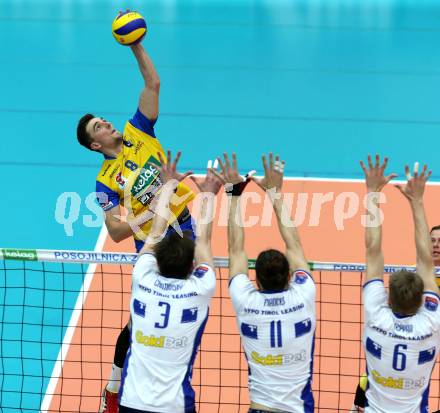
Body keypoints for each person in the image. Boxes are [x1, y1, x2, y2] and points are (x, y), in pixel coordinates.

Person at [76, 35, 194, 411]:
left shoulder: (139, 131)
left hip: (186, 228)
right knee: (137, 323)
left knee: (186, 311)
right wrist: (155, 206)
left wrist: (135, 47)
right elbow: (114, 231)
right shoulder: (104, 182)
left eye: (102, 120)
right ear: (95, 145)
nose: (105, 123)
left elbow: (152, 84)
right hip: (152, 245)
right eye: (98, 127)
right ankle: (114, 387)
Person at [118, 150, 223, 413]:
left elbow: (154, 234)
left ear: (158, 262)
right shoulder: (197, 290)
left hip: (131, 402)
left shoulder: (143, 278)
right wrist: (208, 195)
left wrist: (167, 187)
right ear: (192, 267)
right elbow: (204, 243)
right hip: (175, 405)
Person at [218, 152, 316, 413]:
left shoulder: (245, 299)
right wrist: (274, 194)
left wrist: (234, 194)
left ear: (256, 280)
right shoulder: (303, 294)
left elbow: (235, 251)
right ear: (289, 276)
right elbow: (294, 244)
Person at [358, 155, 440, 412]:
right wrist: (417, 202)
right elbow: (426, 261)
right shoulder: (431, 323)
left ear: (389, 298)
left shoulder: (376, 317)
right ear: (421, 301)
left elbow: (373, 251)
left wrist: (373, 193)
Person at [351, 227, 440, 410]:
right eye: (432, 241)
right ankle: (355, 408)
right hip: (420, 340)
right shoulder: (420, 277)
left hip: (429, 340)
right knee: (373, 377)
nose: (436, 245)